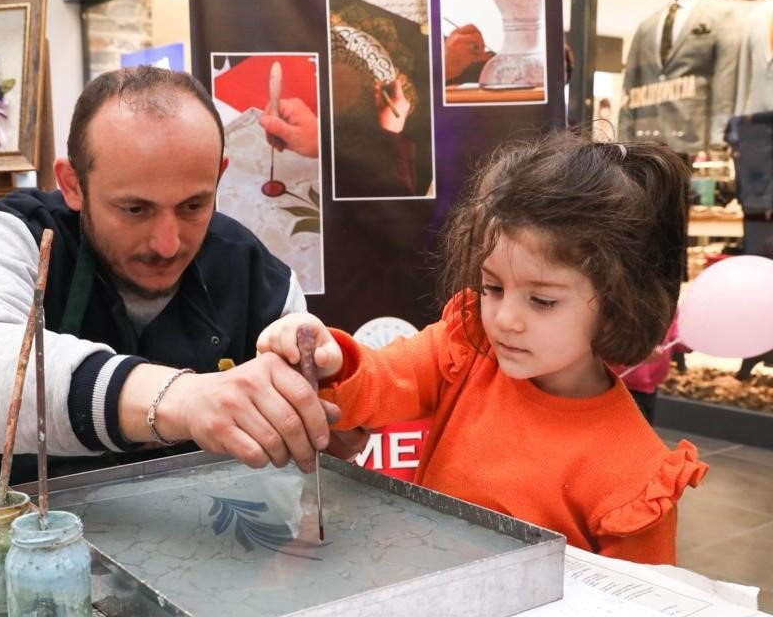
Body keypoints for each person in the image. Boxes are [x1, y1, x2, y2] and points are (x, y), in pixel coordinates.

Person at [0, 66, 363, 502]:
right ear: (73, 184)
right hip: (27, 544)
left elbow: (300, 461)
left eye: (193, 205)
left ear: (219, 175)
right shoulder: (17, 236)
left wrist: (321, 422)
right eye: (134, 209)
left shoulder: (257, 277)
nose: (167, 245)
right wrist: (182, 399)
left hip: (201, 544)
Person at [258, 133, 709, 565]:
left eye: (542, 300)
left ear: (618, 303)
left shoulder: (635, 475)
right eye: (493, 286)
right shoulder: (468, 346)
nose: (504, 318)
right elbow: (380, 379)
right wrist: (330, 358)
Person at [612, 316, 683, 424]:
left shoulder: (670, 304)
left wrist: (687, 341)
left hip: (650, 389)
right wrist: (637, 353)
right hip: (621, 385)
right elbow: (613, 338)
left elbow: (674, 333)